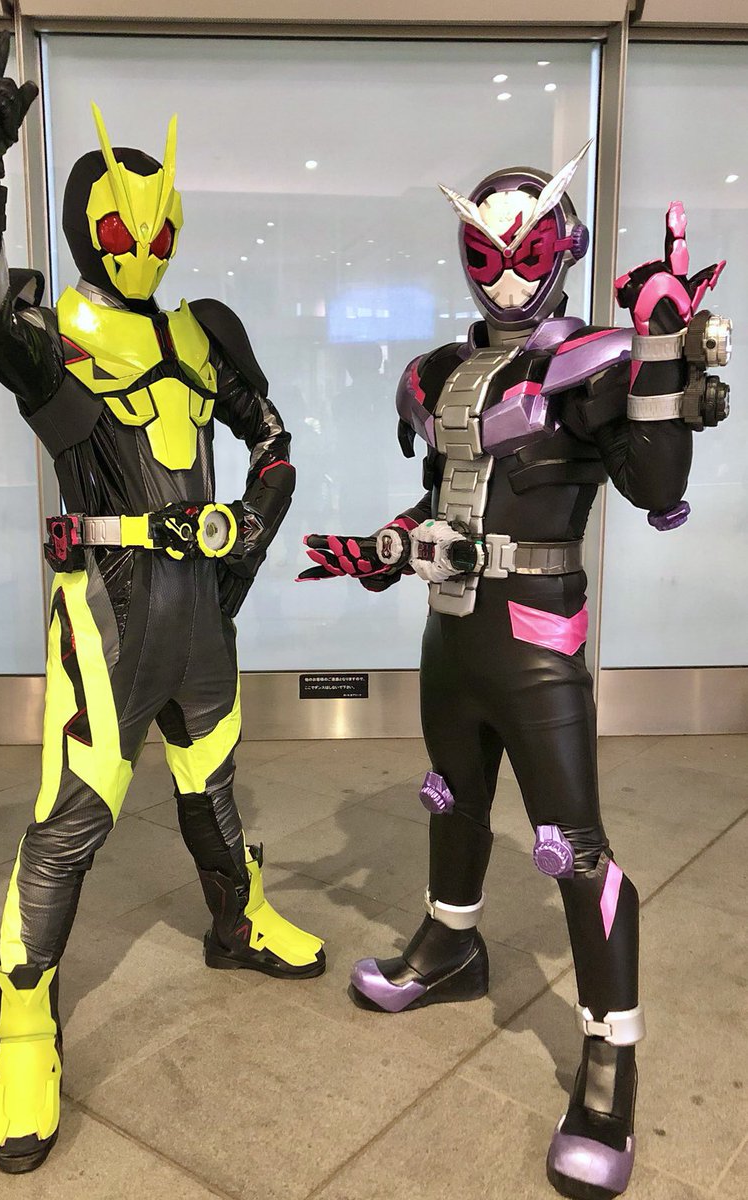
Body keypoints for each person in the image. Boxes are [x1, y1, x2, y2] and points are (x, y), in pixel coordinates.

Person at [0, 33, 325, 1174]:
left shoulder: (203, 331)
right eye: (121, 230)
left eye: (157, 231)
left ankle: (235, 920)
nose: (141, 249)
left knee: (212, 778)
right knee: (72, 819)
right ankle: (24, 1026)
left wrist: (250, 535)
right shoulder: (54, 329)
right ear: (85, 228)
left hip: (201, 604)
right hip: (107, 612)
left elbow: (274, 443)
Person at [300, 142, 730, 1199]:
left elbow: (656, 485)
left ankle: (610, 1060)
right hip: (451, 634)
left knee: (573, 848)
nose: (503, 275)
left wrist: (660, 349)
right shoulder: (439, 373)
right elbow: (450, 498)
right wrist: (384, 547)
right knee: (450, 800)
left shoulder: (592, 364)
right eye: (486, 254)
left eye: (526, 253)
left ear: (562, 248)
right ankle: (450, 946)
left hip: (539, 640)